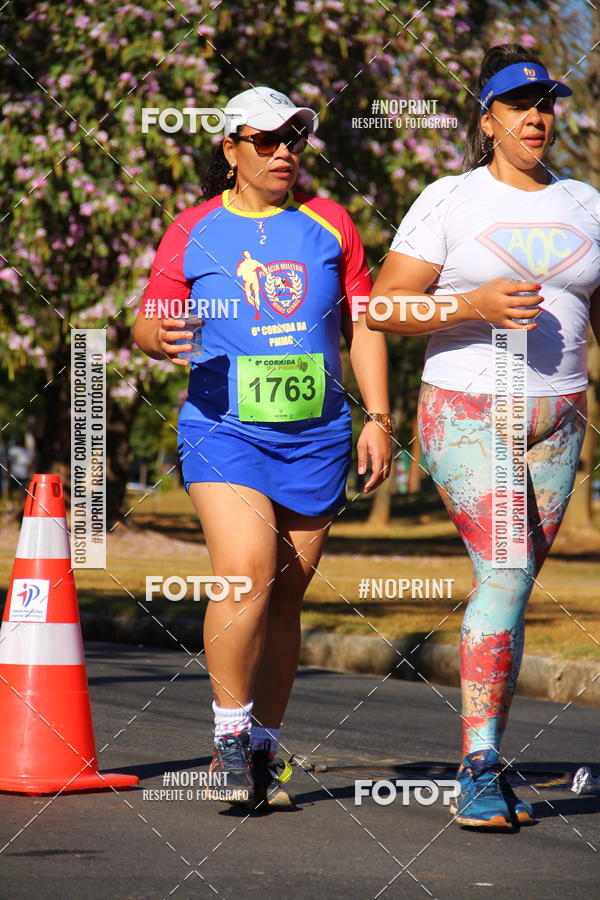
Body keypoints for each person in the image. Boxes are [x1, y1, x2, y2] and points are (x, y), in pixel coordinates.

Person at [133, 86, 392, 810]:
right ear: (230, 150)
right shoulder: (194, 228)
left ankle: (265, 751)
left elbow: (364, 323)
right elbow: (147, 323)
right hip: (223, 430)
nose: (284, 153)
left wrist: (377, 417)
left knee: (284, 595)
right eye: (267, 140)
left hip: (315, 437)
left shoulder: (329, 222)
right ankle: (228, 741)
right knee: (244, 575)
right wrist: (160, 337)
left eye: (295, 140)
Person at [368, 44, 600, 829]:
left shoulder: (586, 202)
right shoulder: (449, 200)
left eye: (547, 103)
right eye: (519, 104)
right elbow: (384, 307)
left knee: (512, 586)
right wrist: (472, 306)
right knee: (504, 570)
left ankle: (487, 752)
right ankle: (476, 769)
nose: (537, 116)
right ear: (488, 119)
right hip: (466, 407)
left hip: (559, 418)